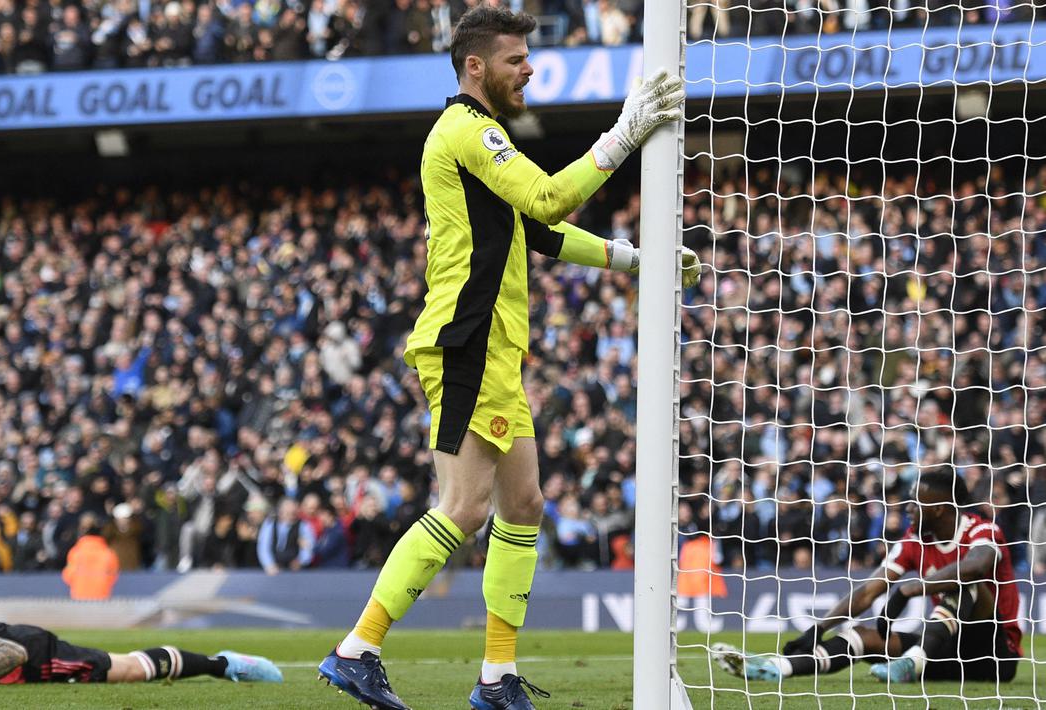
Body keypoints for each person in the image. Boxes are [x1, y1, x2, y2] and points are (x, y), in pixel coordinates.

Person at [316, 7, 694, 710]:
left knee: (523, 503)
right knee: (462, 508)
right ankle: (355, 649)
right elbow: (548, 196)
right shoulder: (467, 129)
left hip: (495, 349)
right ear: (474, 67)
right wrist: (624, 132)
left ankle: (495, 678)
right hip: (464, 343)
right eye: (516, 58)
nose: (528, 68)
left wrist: (632, 259)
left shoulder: (479, 140)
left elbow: (540, 230)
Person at [710, 468, 1021, 685]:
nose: (908, 509)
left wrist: (909, 590)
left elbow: (977, 567)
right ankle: (776, 667)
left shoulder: (982, 529)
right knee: (860, 636)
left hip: (994, 654)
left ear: (939, 508)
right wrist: (818, 628)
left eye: (916, 503)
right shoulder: (915, 540)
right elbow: (869, 590)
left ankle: (914, 660)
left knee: (966, 583)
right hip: (944, 650)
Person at [0, 577, 283, 687]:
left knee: (126, 670)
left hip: (32, 652)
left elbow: (12, 652)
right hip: (1, 646)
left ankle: (224, 665)